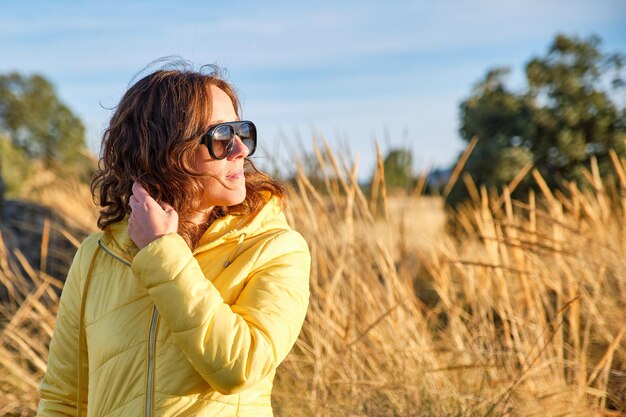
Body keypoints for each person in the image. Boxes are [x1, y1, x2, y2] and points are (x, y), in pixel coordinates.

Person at [36, 63, 311, 417]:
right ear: (166, 149)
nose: (241, 150)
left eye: (242, 132)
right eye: (222, 136)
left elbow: (240, 366)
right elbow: (64, 399)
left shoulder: (275, 249)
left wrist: (162, 253)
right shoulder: (97, 255)